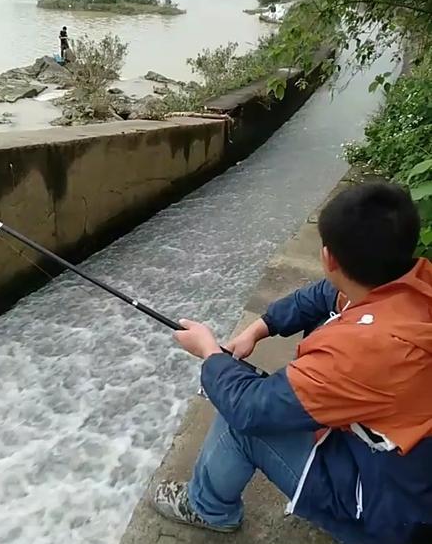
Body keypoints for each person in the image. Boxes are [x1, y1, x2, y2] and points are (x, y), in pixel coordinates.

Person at [152, 182, 432, 544]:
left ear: (329, 258)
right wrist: (260, 327)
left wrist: (209, 352)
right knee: (293, 350)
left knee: (240, 416)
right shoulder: (410, 285)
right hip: (408, 472)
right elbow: (323, 294)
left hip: (390, 518)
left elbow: (249, 408)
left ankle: (207, 507)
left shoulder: (363, 351)